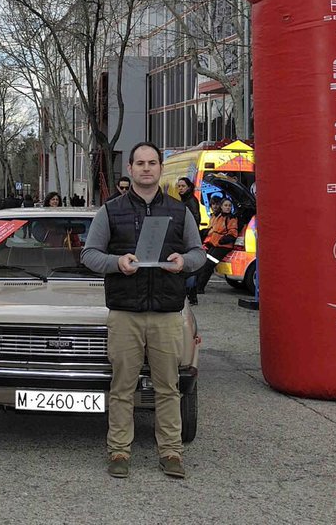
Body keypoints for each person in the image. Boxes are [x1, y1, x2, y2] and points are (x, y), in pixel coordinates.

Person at [82, 141, 205, 481]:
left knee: (168, 387)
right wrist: (116, 262)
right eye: (140, 163)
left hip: (167, 313)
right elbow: (89, 255)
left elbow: (199, 253)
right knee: (122, 387)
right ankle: (119, 450)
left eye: (152, 162)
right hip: (125, 312)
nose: (146, 168)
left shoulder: (180, 212)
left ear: (160, 169)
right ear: (131, 169)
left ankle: (171, 452)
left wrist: (184, 262)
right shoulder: (111, 211)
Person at [193, 198, 239, 301]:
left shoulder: (231, 218)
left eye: (229, 206)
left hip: (223, 246)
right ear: (222, 207)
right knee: (204, 263)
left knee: (209, 264)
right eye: (226, 205)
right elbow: (213, 230)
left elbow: (233, 233)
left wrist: (224, 239)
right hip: (215, 244)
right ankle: (196, 286)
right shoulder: (218, 216)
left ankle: (199, 288)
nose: (228, 207)